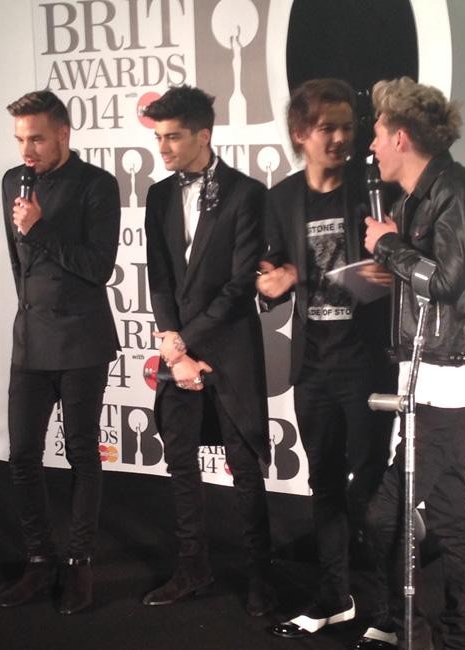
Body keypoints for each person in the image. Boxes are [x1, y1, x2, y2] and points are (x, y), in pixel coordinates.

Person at [257, 78, 396, 640]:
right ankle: (335, 598)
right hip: (311, 367)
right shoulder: (281, 199)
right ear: (299, 133)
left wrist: (389, 271)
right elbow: (270, 270)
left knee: (372, 492)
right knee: (325, 486)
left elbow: (403, 269)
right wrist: (274, 282)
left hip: (367, 365)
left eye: (347, 127)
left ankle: (387, 613)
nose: (340, 138)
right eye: (326, 128)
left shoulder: (374, 190)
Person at [364, 76, 465, 650]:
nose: (370, 146)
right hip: (427, 373)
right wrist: (384, 262)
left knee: (385, 514)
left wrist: (387, 247)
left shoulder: (454, 192)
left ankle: (411, 628)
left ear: (401, 137)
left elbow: (444, 282)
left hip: (451, 379)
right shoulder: (412, 198)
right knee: (450, 512)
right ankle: (460, 635)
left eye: (377, 133)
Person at [141, 85, 273, 617]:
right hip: (178, 352)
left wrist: (184, 344)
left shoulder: (247, 193)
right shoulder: (158, 196)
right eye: (158, 138)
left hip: (230, 350)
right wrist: (174, 347)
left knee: (245, 466)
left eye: (173, 137)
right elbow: (159, 278)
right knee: (180, 461)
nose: (163, 148)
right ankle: (192, 566)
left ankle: (261, 576)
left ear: (204, 135)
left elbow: (240, 285)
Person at [0, 90, 120, 614]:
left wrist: (40, 228)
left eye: (37, 139)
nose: (27, 150)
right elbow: (16, 263)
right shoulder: (11, 182)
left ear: (64, 133)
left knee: (81, 452)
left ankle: (79, 563)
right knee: (22, 454)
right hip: (31, 339)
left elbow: (98, 267)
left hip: (82, 340)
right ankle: (40, 560)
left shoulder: (97, 185)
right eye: (20, 139)